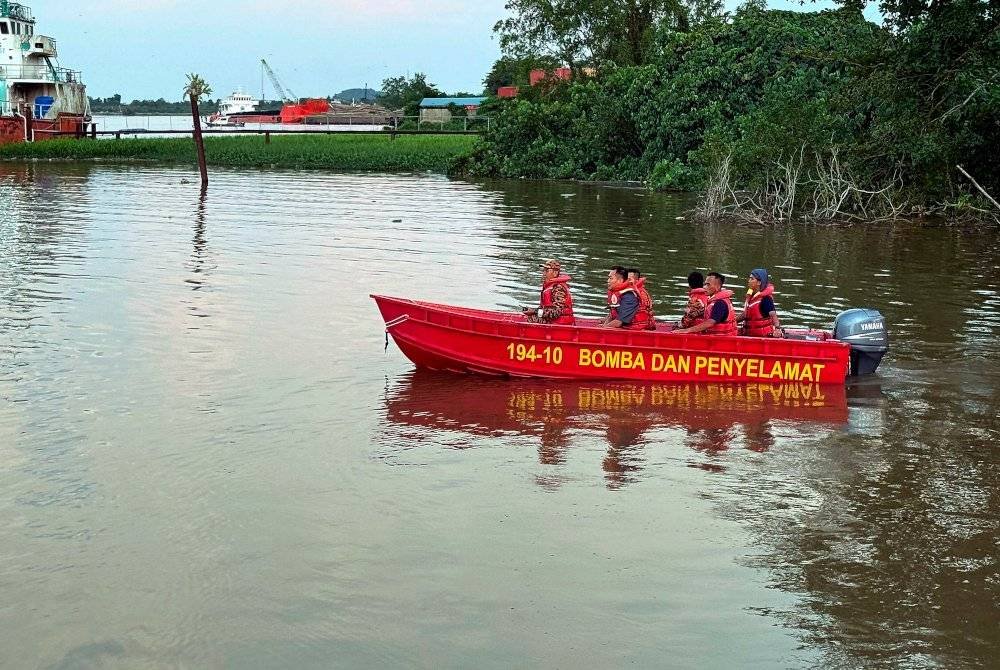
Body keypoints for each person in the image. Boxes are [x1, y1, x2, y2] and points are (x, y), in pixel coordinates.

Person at [672, 271, 737, 335]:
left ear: (718, 287)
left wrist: (686, 330)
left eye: (708, 285)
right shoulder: (712, 300)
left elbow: (710, 323)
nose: (704, 287)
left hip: (721, 341)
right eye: (705, 284)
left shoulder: (720, 303)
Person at [524, 259, 574, 325]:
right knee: (529, 317)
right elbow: (546, 308)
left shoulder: (558, 288)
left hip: (560, 322)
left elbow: (556, 312)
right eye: (544, 270)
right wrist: (533, 311)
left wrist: (535, 311)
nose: (544, 273)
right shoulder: (551, 286)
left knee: (531, 319)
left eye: (547, 271)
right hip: (553, 320)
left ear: (555, 272)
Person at [737, 268, 782, 337]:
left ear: (759, 282)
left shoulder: (765, 299)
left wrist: (777, 329)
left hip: (764, 337)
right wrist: (732, 322)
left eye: (752, 279)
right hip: (750, 335)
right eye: (749, 278)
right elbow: (744, 315)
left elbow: (773, 315)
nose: (749, 281)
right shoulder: (751, 296)